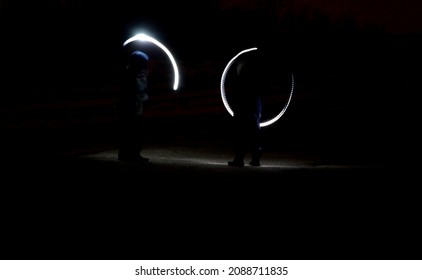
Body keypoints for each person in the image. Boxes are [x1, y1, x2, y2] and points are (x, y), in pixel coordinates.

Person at [227, 50, 263, 167]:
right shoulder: (255, 79)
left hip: (244, 107)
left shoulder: (243, 80)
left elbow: (239, 95)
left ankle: (240, 159)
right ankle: (255, 158)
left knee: (241, 132)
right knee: (253, 133)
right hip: (253, 107)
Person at [115, 50, 150, 163]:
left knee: (131, 132)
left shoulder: (136, 73)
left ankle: (128, 154)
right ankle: (131, 155)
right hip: (130, 108)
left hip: (133, 107)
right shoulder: (131, 74)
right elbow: (132, 91)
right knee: (132, 132)